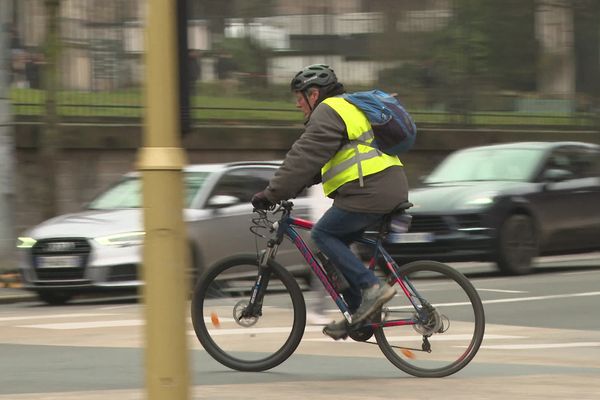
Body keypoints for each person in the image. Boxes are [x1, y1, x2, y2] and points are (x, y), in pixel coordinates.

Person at [251, 64, 409, 340]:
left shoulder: (328, 110)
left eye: (299, 99)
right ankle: (357, 314)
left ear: (314, 94)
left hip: (372, 189)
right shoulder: (345, 108)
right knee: (329, 249)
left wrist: (271, 193)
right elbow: (314, 166)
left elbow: (304, 156)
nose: (298, 105)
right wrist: (290, 189)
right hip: (378, 186)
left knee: (323, 234)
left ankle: (373, 288)